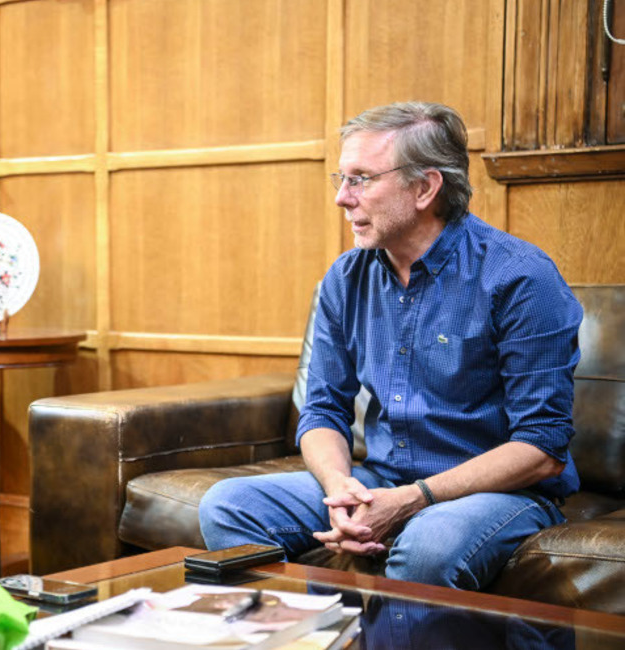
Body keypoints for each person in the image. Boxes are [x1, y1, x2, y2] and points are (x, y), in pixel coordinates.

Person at [199, 101, 582, 591]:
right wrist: (341, 490)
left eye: (360, 179)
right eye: (340, 177)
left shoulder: (520, 277)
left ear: (424, 188)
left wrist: (414, 498)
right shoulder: (344, 278)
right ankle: (314, 637)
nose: (341, 197)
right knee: (229, 505)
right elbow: (321, 411)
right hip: (381, 476)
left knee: (428, 543)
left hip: (499, 494)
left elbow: (542, 446)